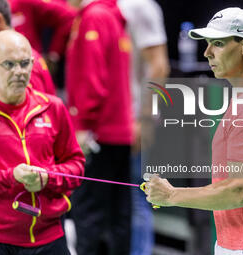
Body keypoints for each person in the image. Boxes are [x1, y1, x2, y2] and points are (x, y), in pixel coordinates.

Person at [144, 7, 243, 255]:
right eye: (208, 43)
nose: (207, 52)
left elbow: (239, 191)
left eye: (218, 44)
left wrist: (171, 195)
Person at [0, 30, 85, 254]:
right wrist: (11, 177)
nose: (19, 72)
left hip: (50, 236)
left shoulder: (53, 107)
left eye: (25, 64)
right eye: (9, 64)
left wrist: (48, 177)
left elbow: (77, 167)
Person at [65, 0, 133, 254]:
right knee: (117, 216)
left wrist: (83, 125)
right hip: (117, 132)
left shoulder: (94, 17)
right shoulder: (111, 16)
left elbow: (93, 79)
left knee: (89, 215)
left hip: (98, 133)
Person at [117, 0, 169, 254]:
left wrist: (144, 118)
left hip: (135, 118)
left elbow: (159, 65)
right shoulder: (104, 5)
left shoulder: (140, 6)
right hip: (112, 122)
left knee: (137, 196)